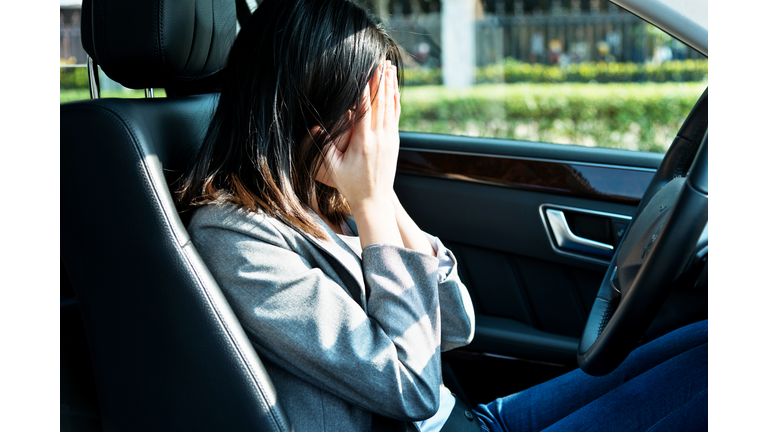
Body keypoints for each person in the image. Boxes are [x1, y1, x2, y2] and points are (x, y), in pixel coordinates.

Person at [177, 0, 707, 431]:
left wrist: (380, 198)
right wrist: (370, 199)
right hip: (433, 417)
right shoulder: (236, 238)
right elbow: (409, 384)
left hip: (468, 420)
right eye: (363, 115)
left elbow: (455, 325)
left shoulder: (323, 197)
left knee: (712, 346)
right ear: (300, 111)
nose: (374, 138)